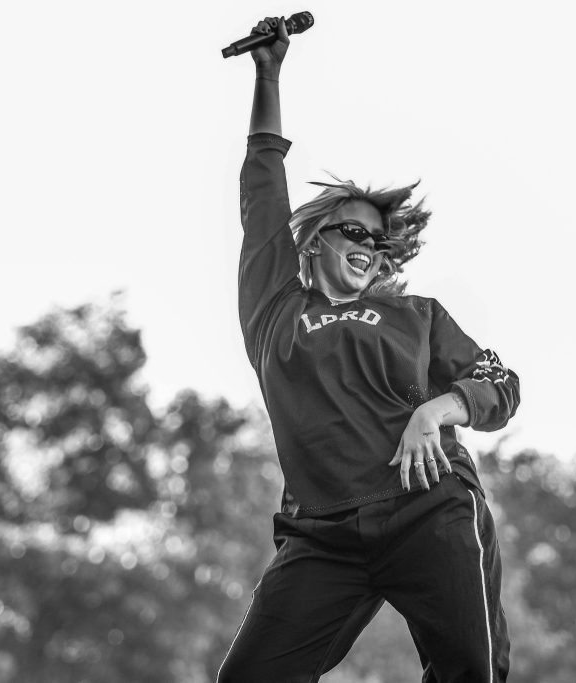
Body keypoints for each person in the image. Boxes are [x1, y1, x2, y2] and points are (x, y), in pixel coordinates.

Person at [218, 16, 520, 683]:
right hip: (322, 534)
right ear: (314, 240)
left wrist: (435, 411)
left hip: (428, 508)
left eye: (380, 241)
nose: (370, 246)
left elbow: (500, 383)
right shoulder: (276, 310)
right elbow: (262, 188)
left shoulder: (415, 315)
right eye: (355, 230)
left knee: (470, 673)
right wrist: (268, 75)